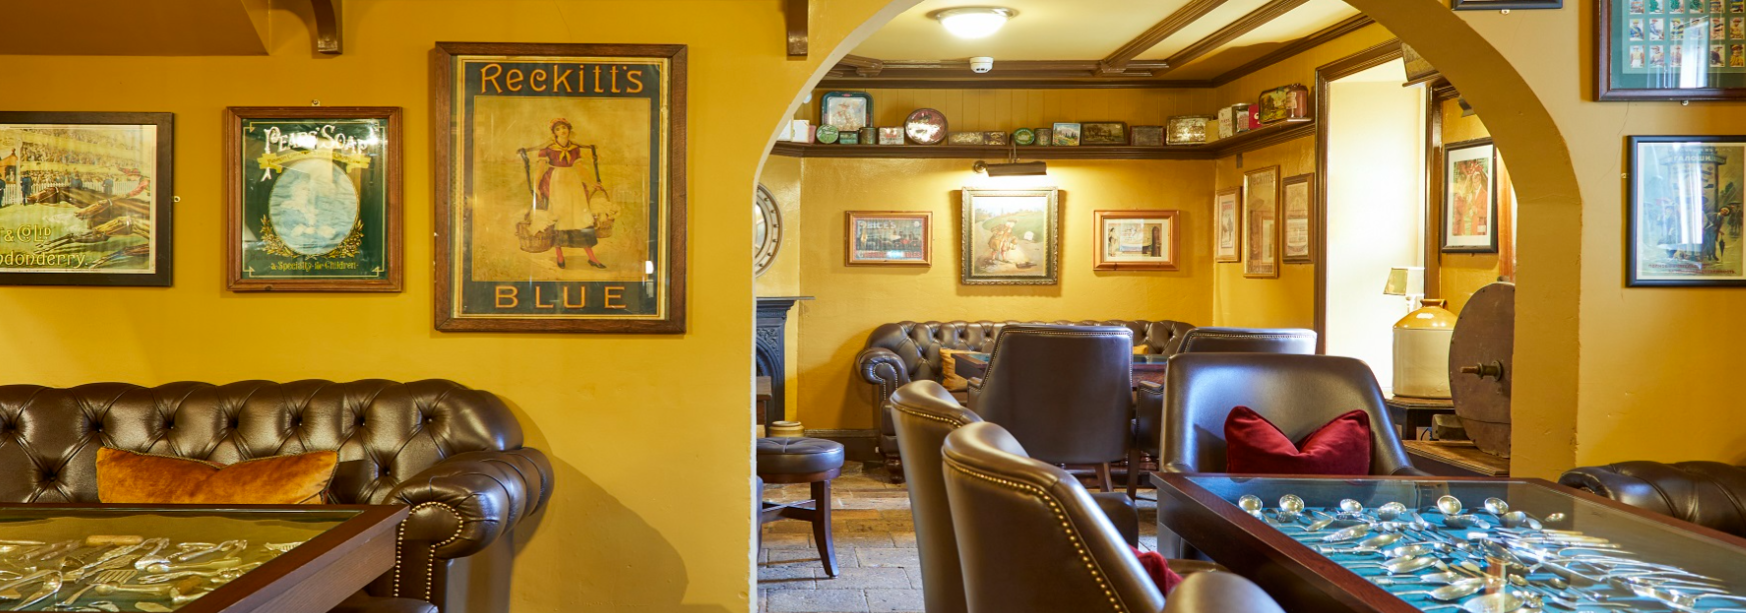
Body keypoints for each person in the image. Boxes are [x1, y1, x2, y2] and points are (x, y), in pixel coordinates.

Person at [522, 118, 610, 269]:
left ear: (569, 130)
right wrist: (536, 186)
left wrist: (592, 182)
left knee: (579, 215)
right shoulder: (548, 149)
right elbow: (540, 168)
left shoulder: (575, 149)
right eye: (558, 129)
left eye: (564, 128)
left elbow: (580, 168)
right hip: (555, 182)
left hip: (572, 182)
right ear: (554, 133)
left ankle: (591, 257)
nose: (562, 131)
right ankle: (560, 256)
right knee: (559, 215)